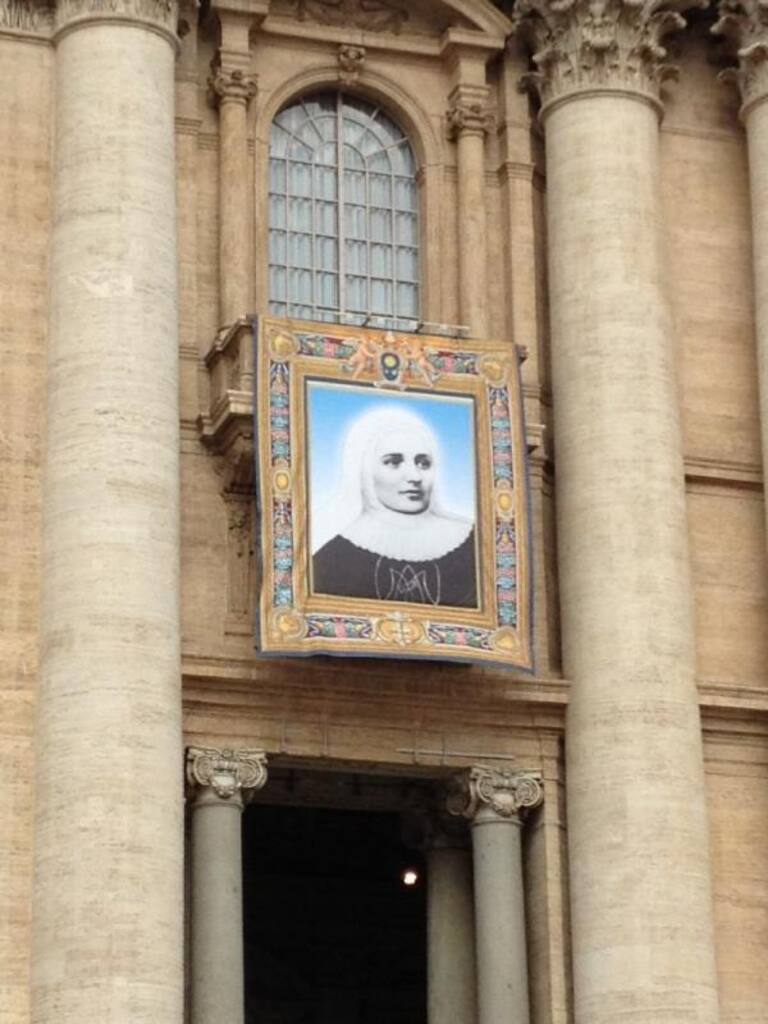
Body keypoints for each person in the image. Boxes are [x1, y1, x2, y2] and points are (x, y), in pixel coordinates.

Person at [311, 405, 477, 607]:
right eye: (393, 462)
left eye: (423, 463)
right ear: (364, 471)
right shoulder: (332, 557)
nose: (415, 476)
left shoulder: (475, 541)